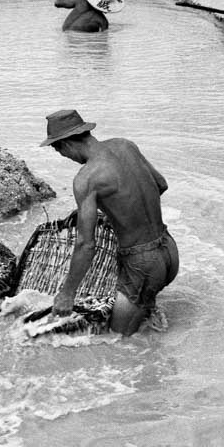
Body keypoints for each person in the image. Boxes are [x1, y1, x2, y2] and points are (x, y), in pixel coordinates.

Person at [39, 109, 178, 335]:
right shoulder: (125, 146)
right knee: (146, 320)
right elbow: (160, 184)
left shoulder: (87, 178)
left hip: (141, 264)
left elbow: (86, 244)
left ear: (65, 144)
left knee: (120, 343)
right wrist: (118, 213)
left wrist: (67, 294)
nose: (63, 155)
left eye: (57, 149)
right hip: (168, 250)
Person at [54, 0, 124, 32]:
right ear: (108, 8)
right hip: (77, 40)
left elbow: (58, 3)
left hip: (64, 33)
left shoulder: (80, 1)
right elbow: (102, 39)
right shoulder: (103, 21)